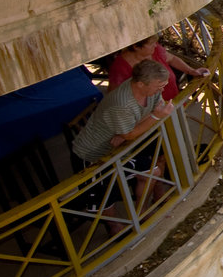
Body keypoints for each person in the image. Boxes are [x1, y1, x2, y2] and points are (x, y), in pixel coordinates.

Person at [72, 59, 174, 218]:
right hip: (93, 154)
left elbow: (153, 110)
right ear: (140, 84)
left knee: (152, 171)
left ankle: (141, 213)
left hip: (121, 148)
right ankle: (116, 229)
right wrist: (153, 118)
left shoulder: (150, 90)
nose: (162, 89)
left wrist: (127, 132)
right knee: (104, 198)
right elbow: (134, 131)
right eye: (159, 86)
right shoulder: (122, 104)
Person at [108, 34, 209, 101]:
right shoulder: (120, 66)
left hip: (172, 100)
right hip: (150, 114)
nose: (155, 46)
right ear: (136, 46)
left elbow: (172, 58)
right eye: (151, 44)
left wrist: (191, 71)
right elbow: (114, 95)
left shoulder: (155, 51)